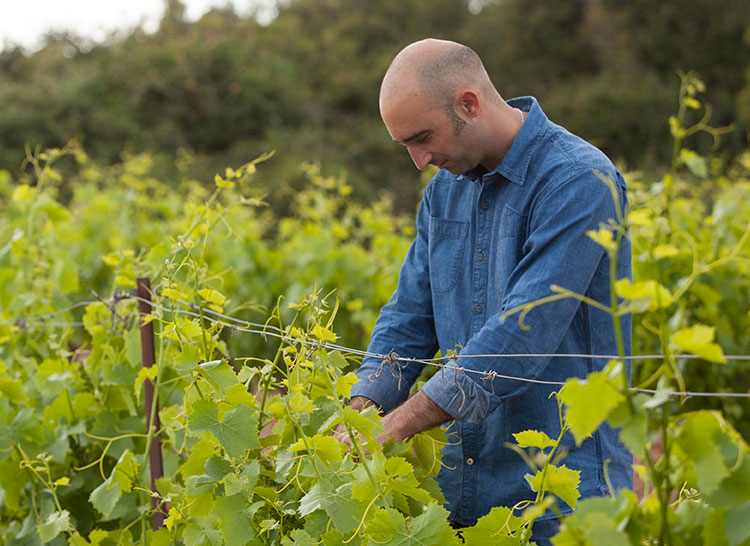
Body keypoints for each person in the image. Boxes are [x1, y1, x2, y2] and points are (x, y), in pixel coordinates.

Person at [339, 38, 633, 543]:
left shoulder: (578, 180)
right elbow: (410, 315)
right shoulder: (443, 193)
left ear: (468, 103)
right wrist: (363, 408)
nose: (418, 159)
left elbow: (523, 333)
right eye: (405, 144)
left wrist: (401, 423)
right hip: (467, 489)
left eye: (423, 136)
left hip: (563, 501)